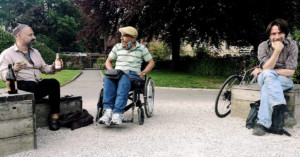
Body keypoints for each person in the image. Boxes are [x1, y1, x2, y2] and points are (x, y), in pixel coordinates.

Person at [0, 24, 63, 131]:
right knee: (30, 84)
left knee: (53, 83)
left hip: (36, 85)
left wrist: (54, 67)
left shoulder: (35, 52)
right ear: (19, 36)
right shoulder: (7, 54)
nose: (34, 37)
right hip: (20, 87)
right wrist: (14, 69)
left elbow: (44, 68)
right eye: (30, 35)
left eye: (33, 34)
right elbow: (2, 74)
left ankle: (54, 117)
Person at [98, 26, 155, 125]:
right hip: (117, 73)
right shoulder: (117, 47)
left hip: (132, 75)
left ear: (132, 38)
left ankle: (118, 113)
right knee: (107, 77)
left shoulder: (141, 48)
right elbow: (108, 61)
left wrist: (143, 73)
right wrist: (111, 71)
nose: (121, 38)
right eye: (121, 35)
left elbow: (151, 62)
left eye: (124, 36)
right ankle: (108, 111)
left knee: (124, 78)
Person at [251, 19, 298, 136]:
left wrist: (265, 70)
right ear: (269, 35)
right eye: (273, 34)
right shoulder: (263, 46)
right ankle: (281, 108)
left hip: (284, 80)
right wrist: (277, 51)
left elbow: (290, 72)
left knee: (268, 79)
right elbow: (267, 67)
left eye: (280, 33)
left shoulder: (292, 46)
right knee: (267, 75)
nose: (277, 37)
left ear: (285, 33)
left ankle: (262, 123)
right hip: (266, 78)